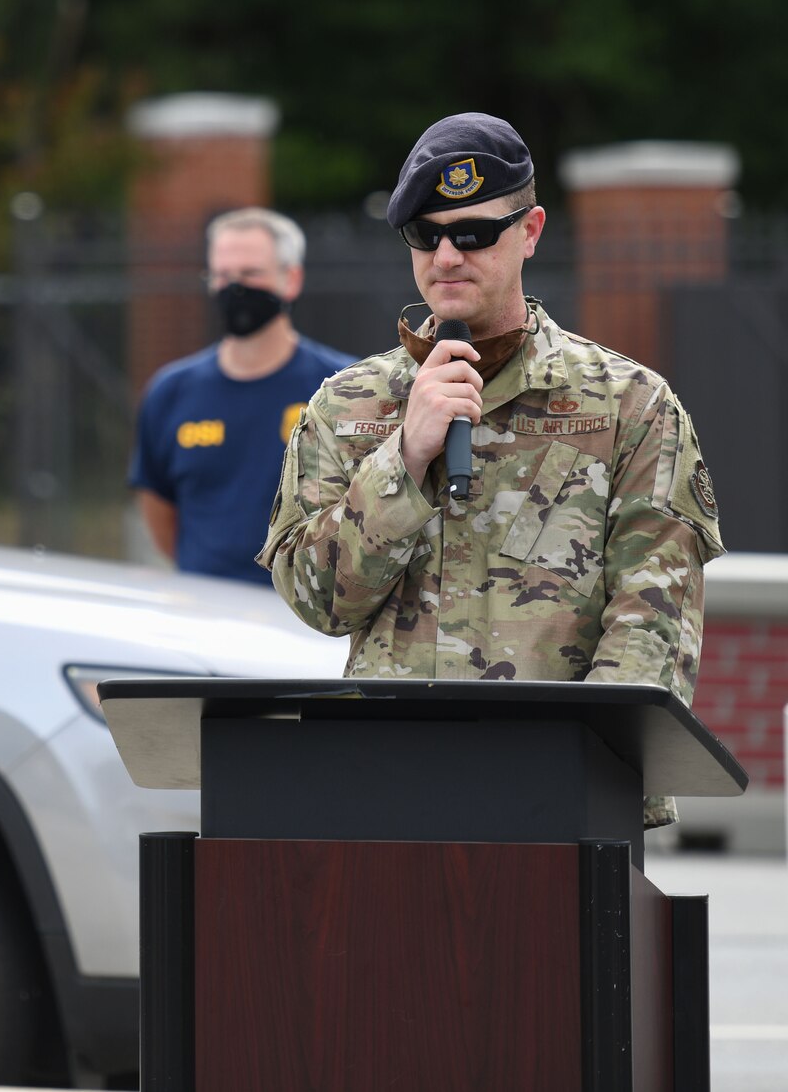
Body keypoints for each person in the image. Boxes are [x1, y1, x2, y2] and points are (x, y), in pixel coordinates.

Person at [258, 112, 723, 827]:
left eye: (472, 233)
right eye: (425, 233)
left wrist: (583, 775)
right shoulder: (350, 405)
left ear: (530, 231)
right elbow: (318, 599)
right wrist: (405, 458)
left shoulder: (629, 404)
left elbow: (652, 619)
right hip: (384, 791)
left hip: (559, 795)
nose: (446, 255)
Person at [130, 208, 354, 584]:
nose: (235, 288)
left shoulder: (341, 385)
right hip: (204, 614)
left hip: (307, 620)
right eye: (221, 275)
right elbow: (159, 511)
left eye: (250, 274)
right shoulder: (171, 392)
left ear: (291, 279)